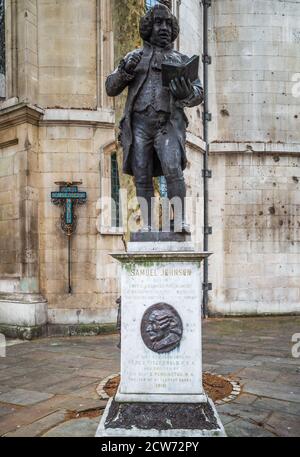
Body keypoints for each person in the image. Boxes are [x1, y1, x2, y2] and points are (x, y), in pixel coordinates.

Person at [106, 3, 203, 233]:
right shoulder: (134, 57)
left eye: (168, 23)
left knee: (173, 169)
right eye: (158, 22)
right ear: (149, 27)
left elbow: (199, 93)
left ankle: (179, 220)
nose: (163, 27)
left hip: (167, 125)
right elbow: (111, 87)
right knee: (142, 173)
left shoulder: (181, 60)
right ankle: (147, 226)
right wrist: (123, 72)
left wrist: (187, 93)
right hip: (139, 126)